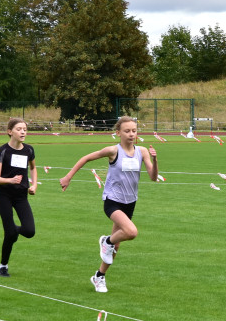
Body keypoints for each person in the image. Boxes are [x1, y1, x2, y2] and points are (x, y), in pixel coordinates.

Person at [59, 117, 158, 293]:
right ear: (118, 133)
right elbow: (86, 158)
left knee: (116, 246)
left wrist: (155, 160)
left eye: (134, 131)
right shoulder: (113, 151)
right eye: (127, 131)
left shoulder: (142, 151)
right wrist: (68, 177)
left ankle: (99, 276)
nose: (131, 134)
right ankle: (106, 240)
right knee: (131, 232)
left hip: (130, 202)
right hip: (112, 200)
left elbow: (153, 176)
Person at [0, 117, 37, 277]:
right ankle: (3, 266)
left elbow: (33, 168)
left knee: (30, 231)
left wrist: (34, 185)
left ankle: (12, 230)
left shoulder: (29, 150)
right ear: (10, 132)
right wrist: (10, 180)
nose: (23, 131)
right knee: (10, 234)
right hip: (4, 194)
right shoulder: (2, 151)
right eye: (19, 129)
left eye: (24, 129)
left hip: (21, 196)